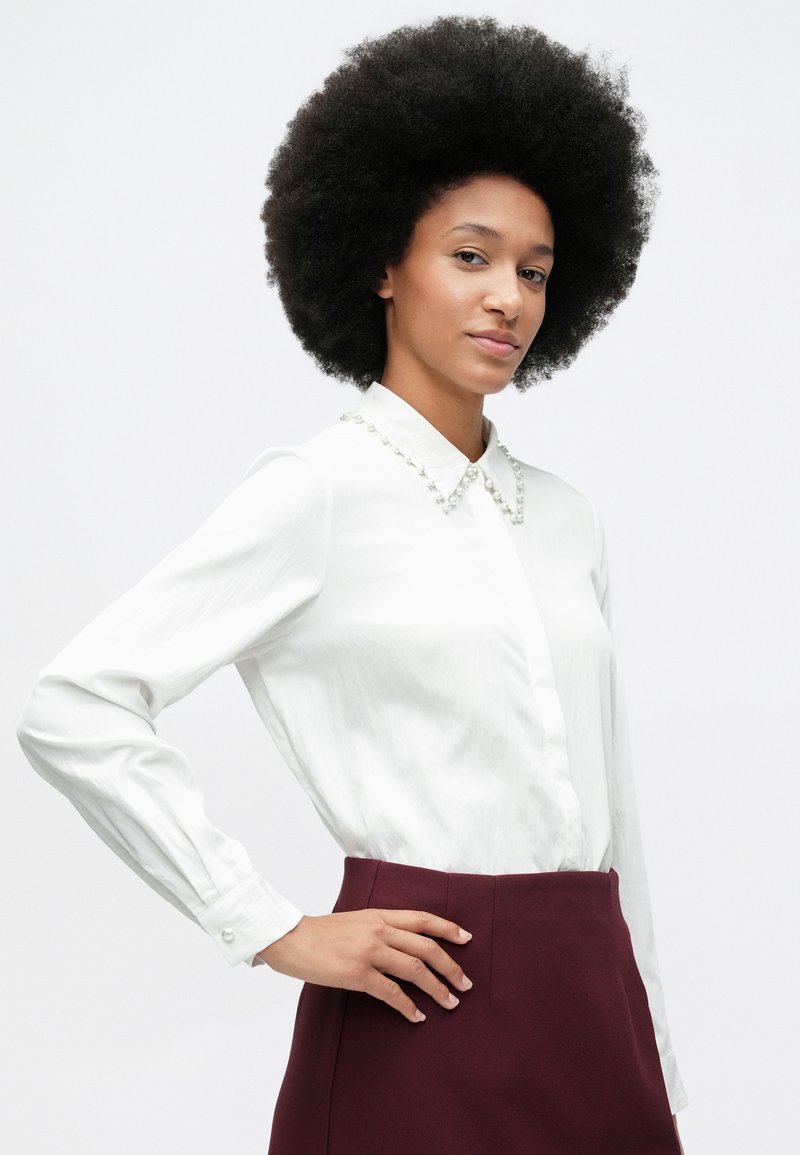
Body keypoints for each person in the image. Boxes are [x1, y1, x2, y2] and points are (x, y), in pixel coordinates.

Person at [16, 15, 689, 1154]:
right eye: (470, 257)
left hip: (591, 999)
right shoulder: (317, 492)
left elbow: (615, 825)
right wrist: (269, 925)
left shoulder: (568, 519)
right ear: (382, 263)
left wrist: (652, 1054)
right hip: (420, 1006)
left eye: (533, 271)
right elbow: (74, 703)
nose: (508, 298)